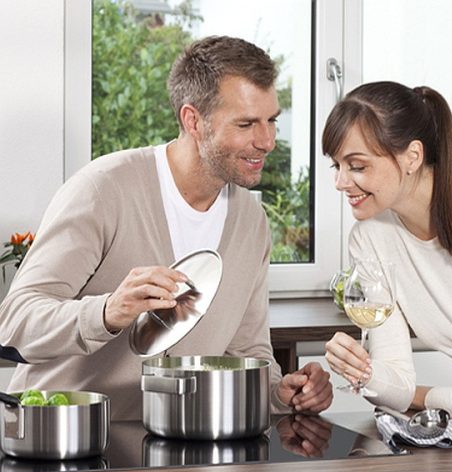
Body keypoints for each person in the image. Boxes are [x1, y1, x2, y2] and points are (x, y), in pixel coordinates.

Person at [0, 36, 332, 420]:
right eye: (246, 124)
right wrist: (107, 312)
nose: (268, 141)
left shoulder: (250, 221)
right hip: (64, 436)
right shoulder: (104, 190)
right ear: (193, 120)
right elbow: (15, 322)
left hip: (177, 438)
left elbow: (247, 351)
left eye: (271, 120)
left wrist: (282, 393)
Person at [322, 81, 452, 425]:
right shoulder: (370, 238)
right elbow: (395, 385)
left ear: (412, 157)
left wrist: (418, 396)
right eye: (336, 166)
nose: (340, 182)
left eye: (357, 166)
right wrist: (363, 371)